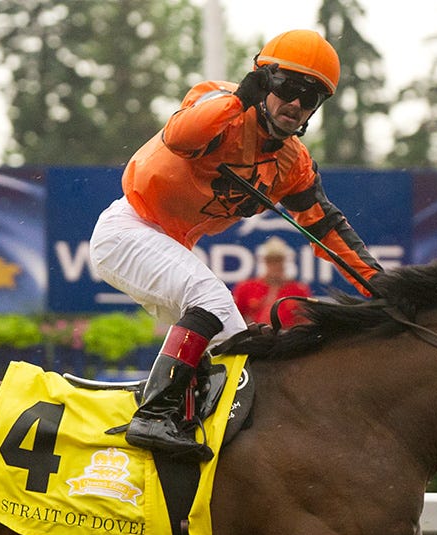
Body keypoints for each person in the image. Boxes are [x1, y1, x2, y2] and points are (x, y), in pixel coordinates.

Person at [89, 29, 385, 462]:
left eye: (310, 98)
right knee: (211, 298)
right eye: (288, 88)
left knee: (237, 348)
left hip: (169, 243)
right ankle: (152, 416)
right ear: (264, 82)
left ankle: (192, 430)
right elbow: (180, 137)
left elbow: (327, 228)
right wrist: (241, 99)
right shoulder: (220, 102)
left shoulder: (294, 164)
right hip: (129, 227)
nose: (296, 104)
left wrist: (381, 288)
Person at [232, 236, 312, 326]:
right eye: (271, 261)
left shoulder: (298, 290)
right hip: (256, 333)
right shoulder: (247, 288)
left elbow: (306, 322)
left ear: (285, 262)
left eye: (279, 260)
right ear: (265, 262)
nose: (275, 265)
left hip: (287, 333)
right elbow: (235, 319)